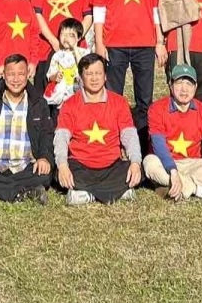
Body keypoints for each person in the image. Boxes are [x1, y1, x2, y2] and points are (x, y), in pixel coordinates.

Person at [91, 0, 165, 147]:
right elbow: (99, 9)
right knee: (113, 96)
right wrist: (99, 43)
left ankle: (142, 145)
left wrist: (159, 40)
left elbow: (157, 8)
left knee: (145, 99)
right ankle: (113, 144)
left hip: (145, 43)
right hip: (114, 43)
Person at [0, 54, 54, 203]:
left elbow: (46, 134)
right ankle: (25, 191)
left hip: (25, 165)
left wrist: (44, 158)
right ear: (4, 75)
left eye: (21, 74)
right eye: (11, 74)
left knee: (45, 173)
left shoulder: (38, 103)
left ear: (28, 75)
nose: (16, 79)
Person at [54, 54, 142, 206]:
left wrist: (135, 162)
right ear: (81, 78)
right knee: (59, 173)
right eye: (89, 74)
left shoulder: (119, 102)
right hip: (80, 165)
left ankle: (86, 194)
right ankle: (117, 192)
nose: (94, 78)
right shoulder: (70, 104)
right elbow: (61, 138)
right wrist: (62, 165)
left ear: (105, 76)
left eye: (98, 73)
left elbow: (129, 135)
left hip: (111, 165)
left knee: (136, 169)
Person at [143, 64, 202, 202]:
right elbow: (158, 144)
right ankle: (197, 189)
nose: (184, 89)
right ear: (170, 85)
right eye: (179, 82)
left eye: (189, 84)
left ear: (195, 87)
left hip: (193, 163)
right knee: (149, 163)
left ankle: (175, 187)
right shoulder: (157, 109)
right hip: (166, 162)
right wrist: (172, 170)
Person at [44, 18, 87, 106]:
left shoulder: (84, 52)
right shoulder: (57, 55)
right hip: (61, 99)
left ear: (79, 37)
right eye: (62, 34)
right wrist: (55, 77)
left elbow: (84, 68)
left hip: (78, 97)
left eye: (70, 35)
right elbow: (50, 76)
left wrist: (75, 48)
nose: (66, 38)